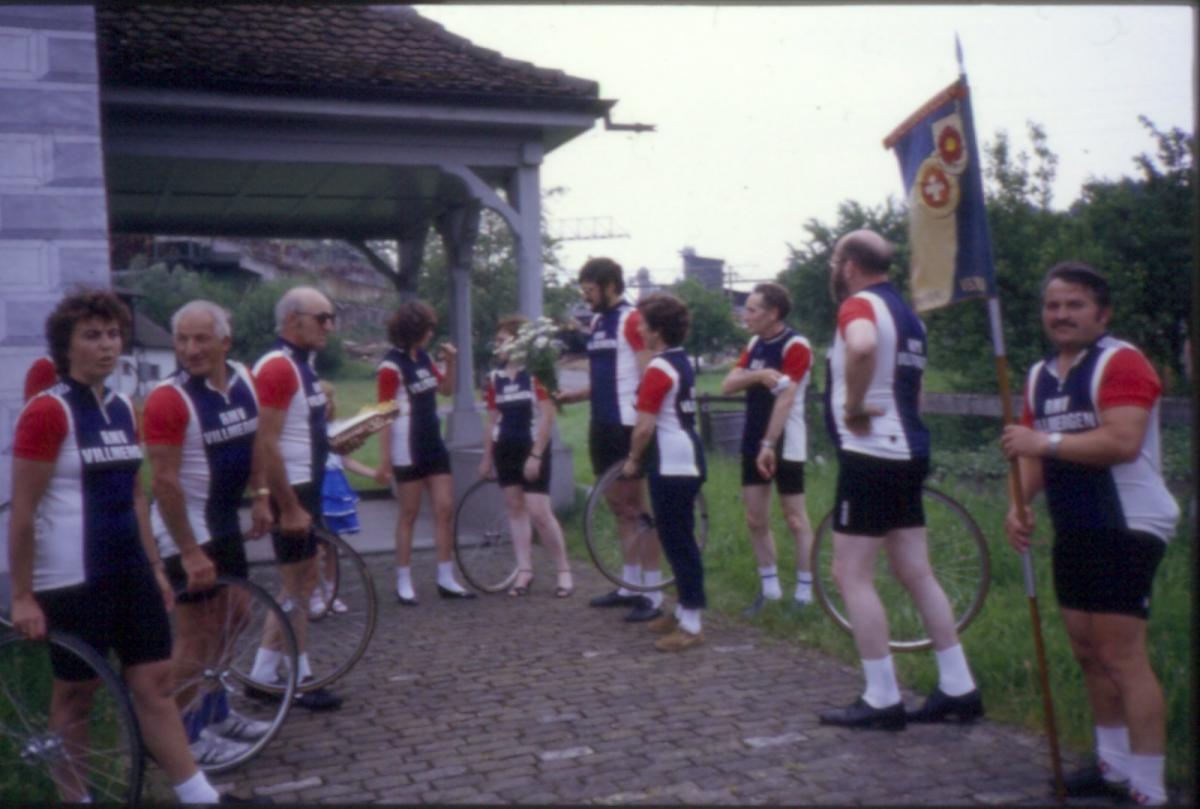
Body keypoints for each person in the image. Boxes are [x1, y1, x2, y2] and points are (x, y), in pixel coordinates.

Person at [7, 289, 233, 803]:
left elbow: (135, 494)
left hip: (129, 569)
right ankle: (77, 798)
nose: (107, 345)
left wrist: (155, 566)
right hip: (72, 576)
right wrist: (22, 596)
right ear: (66, 345)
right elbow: (22, 512)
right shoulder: (48, 412)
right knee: (76, 695)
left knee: (155, 683)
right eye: (92, 335)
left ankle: (199, 795)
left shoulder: (123, 408)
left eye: (113, 334)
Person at [1001, 262, 1179, 805]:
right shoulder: (1040, 374)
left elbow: (1122, 441)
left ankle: (1149, 786)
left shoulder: (1120, 361)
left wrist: (1044, 444)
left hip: (1128, 520)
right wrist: (1018, 504)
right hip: (1076, 521)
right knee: (1086, 649)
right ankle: (1112, 767)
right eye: (1052, 305)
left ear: (1102, 313)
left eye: (1074, 304)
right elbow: (1030, 452)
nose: (1061, 315)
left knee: (1120, 655)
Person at [818, 229, 982, 732]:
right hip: (909, 450)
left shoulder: (858, 305)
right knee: (916, 570)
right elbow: (916, 389)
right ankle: (959, 686)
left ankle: (882, 696)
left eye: (835, 261)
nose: (834, 270)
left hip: (871, 454)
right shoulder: (910, 316)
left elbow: (862, 347)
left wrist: (852, 405)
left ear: (849, 266)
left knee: (850, 574)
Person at [143, 300, 276, 766]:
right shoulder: (168, 399)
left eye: (201, 339)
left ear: (225, 341)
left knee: (235, 616)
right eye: (182, 339)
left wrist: (261, 494)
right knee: (197, 634)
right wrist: (189, 551)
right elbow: (163, 481)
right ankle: (182, 735)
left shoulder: (244, 379)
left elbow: (256, 440)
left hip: (223, 519)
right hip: (186, 525)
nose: (190, 349)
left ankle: (214, 710)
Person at [248, 285, 343, 711]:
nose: (330, 326)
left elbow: (302, 431)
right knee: (297, 589)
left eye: (331, 318)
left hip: (306, 483)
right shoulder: (279, 367)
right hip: (293, 489)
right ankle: (300, 679)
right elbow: (266, 441)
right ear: (292, 320)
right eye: (322, 318)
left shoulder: (301, 365)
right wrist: (286, 505)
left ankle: (264, 675)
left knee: (300, 584)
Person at [557, 257, 663, 623]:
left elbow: (648, 373)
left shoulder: (632, 319)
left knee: (640, 510)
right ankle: (628, 585)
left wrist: (647, 421)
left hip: (627, 425)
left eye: (590, 290)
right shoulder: (598, 322)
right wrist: (575, 395)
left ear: (610, 286)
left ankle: (653, 592)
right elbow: (605, 377)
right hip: (600, 422)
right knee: (619, 508)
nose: (586, 298)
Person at [720, 282, 815, 616]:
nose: (745, 316)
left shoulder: (796, 345)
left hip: (785, 440)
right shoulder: (754, 344)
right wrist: (759, 374)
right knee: (755, 517)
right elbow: (728, 384)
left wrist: (769, 443)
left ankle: (805, 593)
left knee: (795, 518)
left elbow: (786, 398)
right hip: (753, 436)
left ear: (773, 313)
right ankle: (770, 590)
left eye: (752, 310)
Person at [621, 293, 707, 651]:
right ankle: (684, 608)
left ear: (657, 331)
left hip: (673, 462)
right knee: (676, 538)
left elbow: (644, 426)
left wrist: (633, 459)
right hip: (685, 456)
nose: (638, 329)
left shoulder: (658, 368)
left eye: (643, 324)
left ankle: (692, 623)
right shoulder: (679, 360)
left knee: (679, 541)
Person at [375, 300, 474, 604]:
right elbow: (383, 414)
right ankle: (403, 580)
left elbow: (445, 390)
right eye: (427, 328)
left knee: (445, 508)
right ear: (413, 329)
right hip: (407, 445)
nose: (431, 333)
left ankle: (446, 577)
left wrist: (451, 363)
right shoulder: (390, 366)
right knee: (409, 513)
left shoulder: (425, 358)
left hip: (433, 441)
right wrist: (384, 460)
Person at [478, 315, 574, 598]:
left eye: (502, 340)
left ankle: (563, 570)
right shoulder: (494, 378)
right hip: (505, 448)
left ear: (518, 343)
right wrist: (487, 457)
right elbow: (491, 420)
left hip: (531, 447)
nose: (497, 346)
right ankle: (524, 570)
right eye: (496, 341)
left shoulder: (535, 374)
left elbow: (547, 416)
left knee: (540, 512)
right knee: (515, 509)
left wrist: (536, 454)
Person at [313, 380, 382, 617]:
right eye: (321, 401)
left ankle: (331, 592)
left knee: (332, 545)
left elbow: (346, 461)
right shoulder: (307, 431)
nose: (326, 406)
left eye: (329, 401)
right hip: (317, 487)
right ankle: (313, 594)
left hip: (335, 487)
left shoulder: (336, 428)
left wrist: (374, 473)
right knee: (315, 547)